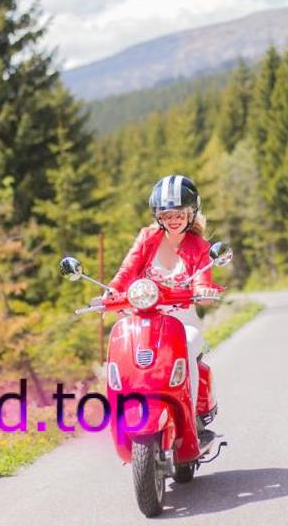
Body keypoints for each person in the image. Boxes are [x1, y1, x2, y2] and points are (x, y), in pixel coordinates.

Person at [106, 174, 221, 432]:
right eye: (167, 215)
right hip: (144, 319)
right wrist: (111, 291)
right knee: (123, 349)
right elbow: (127, 270)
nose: (173, 219)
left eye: (180, 214)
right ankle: (121, 414)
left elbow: (202, 278)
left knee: (187, 346)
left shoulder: (199, 246)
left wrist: (203, 290)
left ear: (191, 214)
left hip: (182, 321)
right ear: (158, 216)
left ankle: (190, 416)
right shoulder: (147, 237)